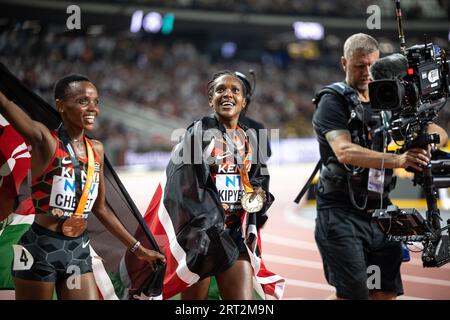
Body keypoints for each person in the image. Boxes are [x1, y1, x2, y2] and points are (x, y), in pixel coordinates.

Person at [0, 74, 165, 300]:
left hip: (77, 251)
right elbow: (7, 106)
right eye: (82, 101)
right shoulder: (45, 140)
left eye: (96, 102)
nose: (92, 108)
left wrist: (138, 249)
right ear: (61, 105)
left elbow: (101, 209)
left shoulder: (96, 150)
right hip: (38, 250)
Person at [312, 33, 448, 300]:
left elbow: (437, 130)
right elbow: (344, 151)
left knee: (385, 292)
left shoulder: (388, 97)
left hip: (381, 209)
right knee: (354, 295)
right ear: (344, 63)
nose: (366, 72)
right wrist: (399, 160)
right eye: (358, 66)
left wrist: (424, 146)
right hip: (340, 212)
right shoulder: (333, 101)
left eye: (371, 66)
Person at [174, 70, 274, 299]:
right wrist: (205, 223)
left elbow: (260, 181)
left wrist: (259, 195)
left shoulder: (251, 139)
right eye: (220, 90)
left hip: (234, 235)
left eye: (235, 90)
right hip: (202, 238)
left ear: (244, 101)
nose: (227, 94)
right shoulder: (197, 134)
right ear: (210, 99)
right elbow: (181, 186)